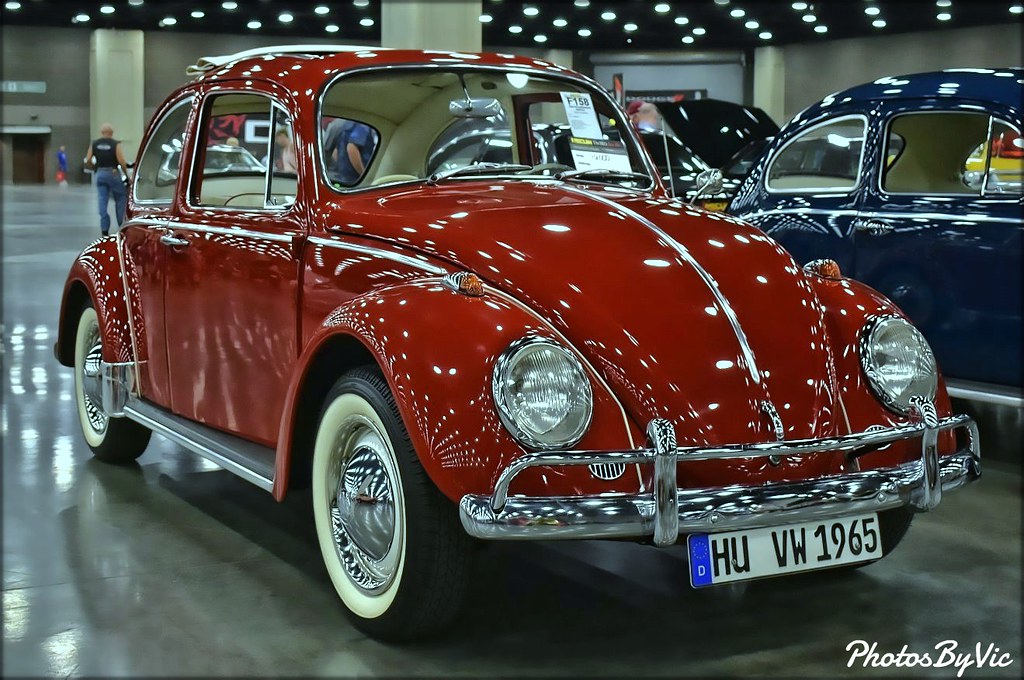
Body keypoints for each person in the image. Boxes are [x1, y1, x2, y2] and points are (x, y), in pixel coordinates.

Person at [84, 123, 129, 236]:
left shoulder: (95, 143)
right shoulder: (115, 144)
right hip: (113, 173)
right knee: (120, 198)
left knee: (102, 200)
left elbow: (88, 159)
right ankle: (121, 227)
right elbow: (121, 161)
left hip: (100, 174)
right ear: (112, 133)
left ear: (102, 132)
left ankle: (104, 230)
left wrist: (95, 169)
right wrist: (127, 175)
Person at [324, 118, 374, 185]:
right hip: (355, 179)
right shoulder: (363, 125)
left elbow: (336, 151)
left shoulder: (345, 124)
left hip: (342, 178)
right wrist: (364, 175)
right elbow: (351, 148)